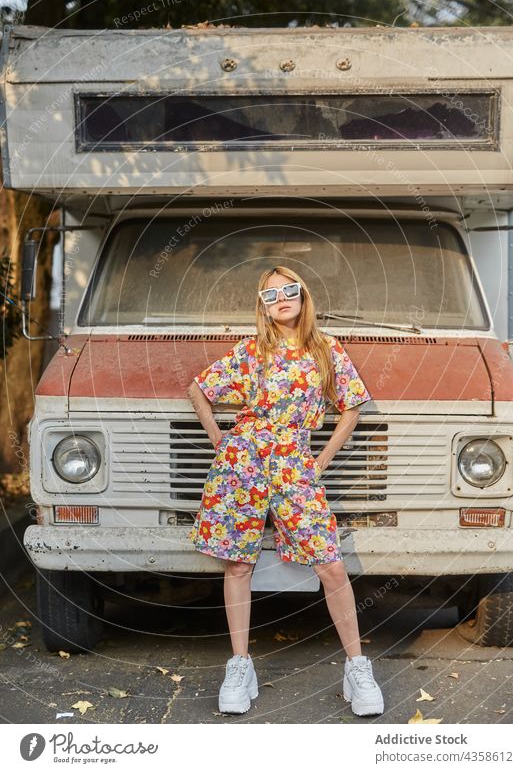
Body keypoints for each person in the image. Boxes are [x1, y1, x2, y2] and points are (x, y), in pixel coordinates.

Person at [187, 265, 384, 718]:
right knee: (238, 562)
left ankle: (357, 667)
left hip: (295, 458)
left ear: (303, 296)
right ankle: (240, 666)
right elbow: (198, 390)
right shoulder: (252, 350)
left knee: (330, 563)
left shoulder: (325, 349)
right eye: (270, 294)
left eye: (289, 290)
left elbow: (352, 406)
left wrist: (323, 459)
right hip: (245, 457)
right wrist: (222, 440)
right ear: (262, 305)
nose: (281, 299)